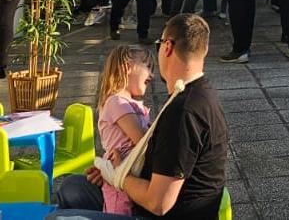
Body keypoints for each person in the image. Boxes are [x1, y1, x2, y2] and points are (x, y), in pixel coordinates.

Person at [50, 13, 230, 220]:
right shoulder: (200, 93)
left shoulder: (183, 112)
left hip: (157, 212)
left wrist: (117, 175)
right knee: (72, 187)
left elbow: (158, 204)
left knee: (54, 218)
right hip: (153, 196)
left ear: (167, 47)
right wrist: (109, 171)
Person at [97, 45, 154, 215]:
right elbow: (142, 141)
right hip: (119, 174)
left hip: (130, 172)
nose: (152, 74)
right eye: (148, 66)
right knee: (119, 213)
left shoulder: (129, 104)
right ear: (127, 67)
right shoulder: (117, 102)